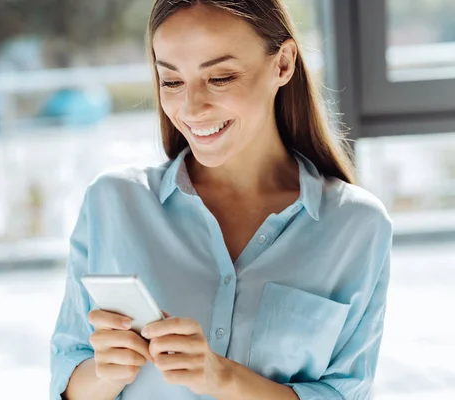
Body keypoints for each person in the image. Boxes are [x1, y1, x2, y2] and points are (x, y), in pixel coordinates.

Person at [50, 1, 392, 399]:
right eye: (172, 82)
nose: (192, 108)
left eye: (220, 77)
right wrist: (106, 372)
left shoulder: (357, 226)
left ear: (282, 64)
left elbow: (344, 392)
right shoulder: (112, 202)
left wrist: (223, 378)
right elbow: (67, 375)